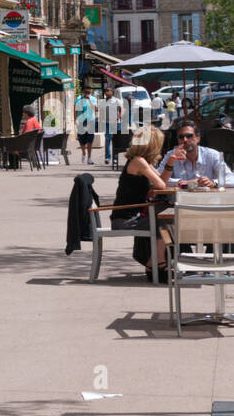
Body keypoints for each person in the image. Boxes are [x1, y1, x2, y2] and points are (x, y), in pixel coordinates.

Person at [111, 127, 171, 281]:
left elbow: (162, 183)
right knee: (167, 219)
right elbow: (161, 186)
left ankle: (153, 262)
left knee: (167, 214)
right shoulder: (139, 161)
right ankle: (158, 262)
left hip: (135, 214)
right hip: (125, 219)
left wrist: (170, 164)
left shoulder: (143, 161)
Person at [156, 120, 232, 191]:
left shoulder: (212, 155)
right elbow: (156, 180)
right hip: (180, 201)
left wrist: (213, 182)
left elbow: (231, 178)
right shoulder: (171, 156)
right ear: (178, 140)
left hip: (208, 200)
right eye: (181, 137)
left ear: (198, 138)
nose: (185, 140)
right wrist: (184, 183)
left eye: (189, 136)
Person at [75, 90, 97, 164]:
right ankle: (84, 153)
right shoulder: (78, 99)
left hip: (90, 121)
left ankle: (89, 158)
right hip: (81, 122)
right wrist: (75, 119)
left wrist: (89, 100)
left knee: (90, 141)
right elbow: (75, 110)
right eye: (86, 92)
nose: (87, 94)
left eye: (89, 92)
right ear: (83, 92)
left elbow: (95, 109)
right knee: (82, 141)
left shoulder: (93, 99)